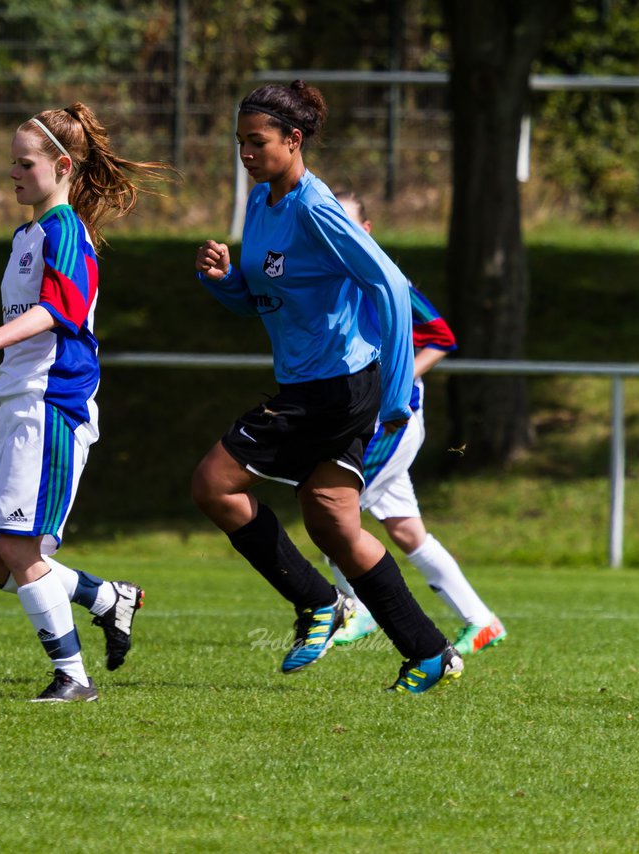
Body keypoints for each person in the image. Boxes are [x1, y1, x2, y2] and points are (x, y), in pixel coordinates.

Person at [192, 80, 463, 694]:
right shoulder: (261, 204)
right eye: (239, 143)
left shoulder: (318, 208)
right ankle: (426, 651)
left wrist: (397, 391)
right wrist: (225, 279)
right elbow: (263, 299)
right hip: (314, 383)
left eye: (257, 142)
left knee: (214, 484)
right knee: (333, 522)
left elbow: (389, 288)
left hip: (335, 388)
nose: (245, 154)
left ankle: (319, 604)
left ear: (294, 139)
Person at [0, 103, 170, 702]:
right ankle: (105, 597)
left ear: (62, 165)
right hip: (12, 405)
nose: (12, 173)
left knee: (20, 548)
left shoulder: (68, 231)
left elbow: (61, 310)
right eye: (11, 162)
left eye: (24, 163)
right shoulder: (28, 234)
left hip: (50, 405)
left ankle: (73, 678)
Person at [327, 190, 508, 655]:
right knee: (407, 530)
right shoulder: (330, 277)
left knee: (330, 513)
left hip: (393, 419)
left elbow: (441, 335)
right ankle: (481, 620)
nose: (339, 234)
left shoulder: (389, 280)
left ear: (366, 231)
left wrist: (396, 377)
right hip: (362, 419)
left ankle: (357, 608)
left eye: (348, 225)